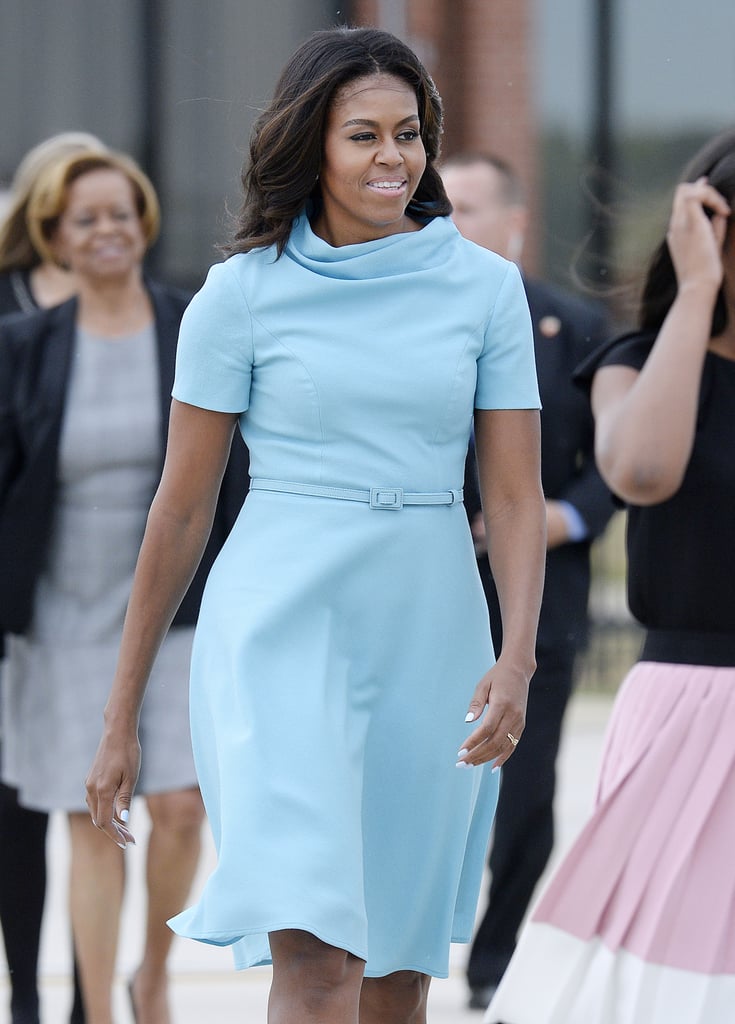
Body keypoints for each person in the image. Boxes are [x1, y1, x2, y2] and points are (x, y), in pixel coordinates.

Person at [84, 26, 546, 1024]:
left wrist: (517, 659)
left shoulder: (484, 289)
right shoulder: (240, 295)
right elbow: (180, 509)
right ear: (312, 147)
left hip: (431, 627)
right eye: (364, 136)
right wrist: (120, 714)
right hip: (277, 629)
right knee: (319, 956)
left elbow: (511, 497)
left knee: (396, 975)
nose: (394, 159)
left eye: (409, 135)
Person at [485, 126, 735, 1024]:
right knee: (669, 982)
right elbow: (637, 474)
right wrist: (698, 290)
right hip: (694, 701)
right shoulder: (636, 361)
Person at [0, 148, 248, 1024]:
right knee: (89, 816)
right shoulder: (22, 348)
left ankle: (152, 974)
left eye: (119, 212)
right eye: (84, 219)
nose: (106, 230)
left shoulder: (191, 326)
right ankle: (98, 1013)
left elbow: (234, 470)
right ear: (55, 240)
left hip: (180, 604)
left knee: (181, 806)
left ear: (143, 222)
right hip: (62, 615)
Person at [439, 152, 615, 1011]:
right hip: (425, 597)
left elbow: (616, 464)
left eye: (469, 206)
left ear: (513, 221)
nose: (451, 220)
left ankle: (494, 961)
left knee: (522, 789)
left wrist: (560, 519)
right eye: (442, 205)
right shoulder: (408, 319)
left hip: (537, 606)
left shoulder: (572, 327)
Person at [0, 130, 108, 1024]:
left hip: (107, 590)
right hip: (19, 596)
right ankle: (25, 993)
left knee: (91, 805)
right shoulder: (7, 313)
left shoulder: (145, 313)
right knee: (15, 806)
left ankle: (90, 996)